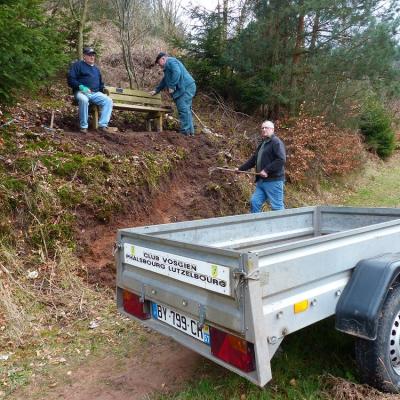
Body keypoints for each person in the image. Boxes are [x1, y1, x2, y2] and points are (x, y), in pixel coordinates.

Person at [237, 120, 286, 212]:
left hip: (273, 181)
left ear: (272, 129)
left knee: (277, 207)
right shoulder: (262, 144)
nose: (264, 130)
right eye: (262, 128)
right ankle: (257, 225)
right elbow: (253, 160)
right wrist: (240, 169)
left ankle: (283, 226)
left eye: (266, 128)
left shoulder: (276, 142)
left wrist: (266, 170)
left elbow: (281, 160)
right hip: (261, 181)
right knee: (254, 202)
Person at [67, 47, 113, 134]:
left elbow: (100, 83)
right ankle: (83, 127)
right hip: (81, 92)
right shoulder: (78, 65)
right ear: (84, 56)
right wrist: (80, 86)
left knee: (108, 101)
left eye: (93, 55)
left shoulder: (96, 69)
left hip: (95, 93)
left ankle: (102, 125)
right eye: (89, 55)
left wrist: (103, 89)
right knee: (84, 100)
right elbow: (71, 79)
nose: (92, 57)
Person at [150, 52, 196, 136]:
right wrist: (156, 90)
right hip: (188, 86)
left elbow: (177, 72)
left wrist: (172, 86)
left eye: (158, 62)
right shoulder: (168, 67)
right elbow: (165, 80)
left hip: (186, 87)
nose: (158, 65)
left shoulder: (170, 62)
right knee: (186, 109)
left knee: (183, 109)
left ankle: (184, 132)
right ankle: (190, 132)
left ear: (163, 59)